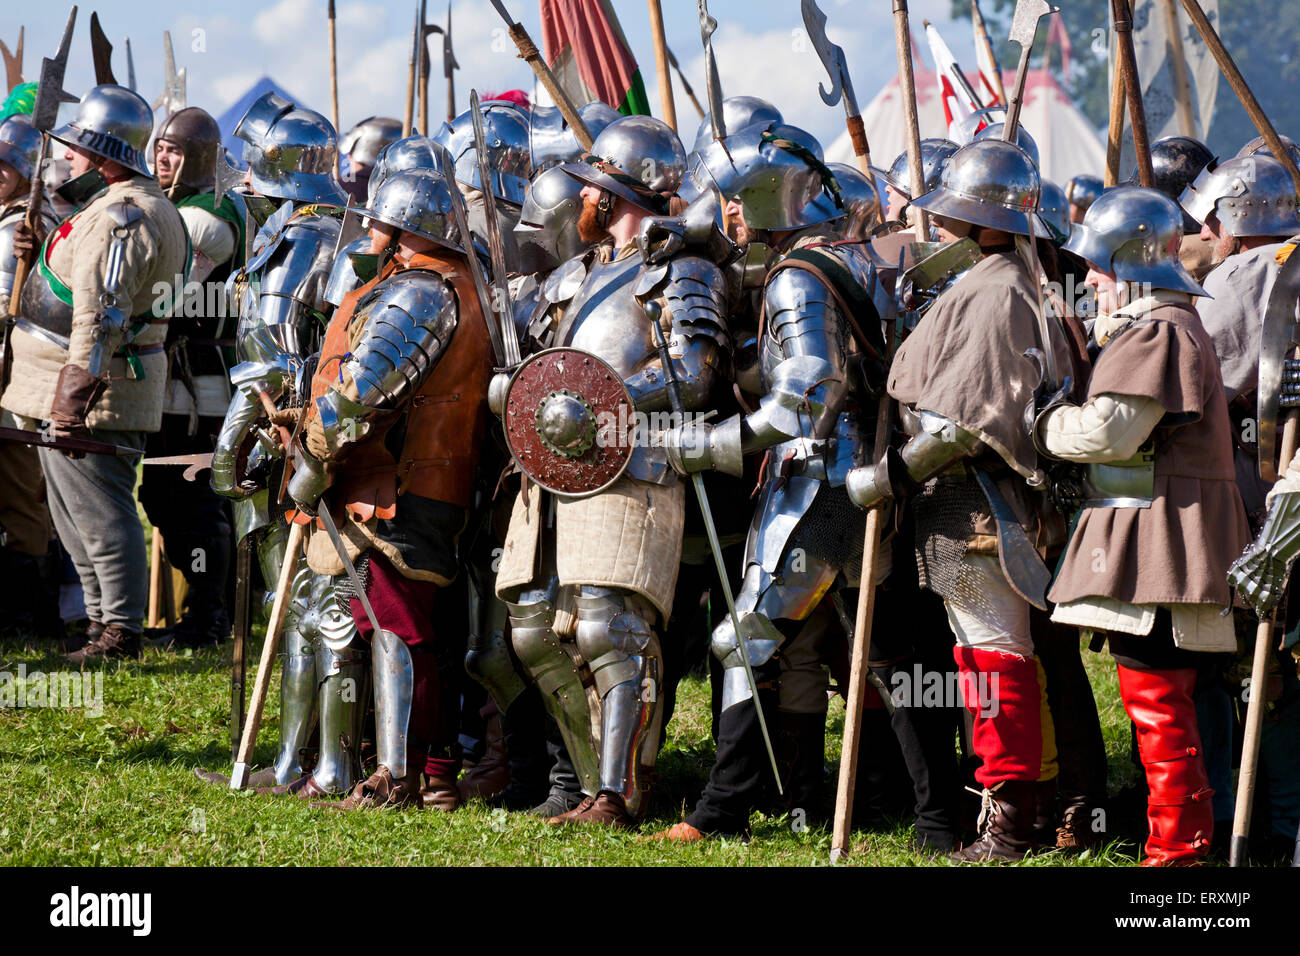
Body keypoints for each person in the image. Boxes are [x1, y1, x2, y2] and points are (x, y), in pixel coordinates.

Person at [492, 115, 729, 827]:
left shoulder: (680, 270)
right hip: (549, 470)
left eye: (591, 187)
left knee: (608, 629)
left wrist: (601, 401)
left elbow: (696, 374)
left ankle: (620, 792)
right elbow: (538, 368)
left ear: (612, 194)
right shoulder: (571, 276)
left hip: (634, 458)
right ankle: (590, 779)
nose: (579, 199)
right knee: (533, 629)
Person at [844, 139, 1073, 861]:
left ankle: (1010, 824)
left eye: (956, 215)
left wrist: (887, 478)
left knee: (995, 659)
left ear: (989, 224)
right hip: (971, 501)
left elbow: (959, 421)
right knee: (989, 658)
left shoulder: (1000, 287)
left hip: (977, 502)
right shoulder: (1004, 279)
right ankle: (1016, 812)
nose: (941, 227)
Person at [1037, 186, 1250, 866]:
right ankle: (1178, 851)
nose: (1091, 279)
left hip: (1169, 535)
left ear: (1130, 261)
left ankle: (1177, 862)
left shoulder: (1159, 328)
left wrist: (1044, 425)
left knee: (1159, 703)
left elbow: (1113, 434)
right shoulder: (1158, 322)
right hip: (1160, 528)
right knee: (1160, 700)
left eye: (1099, 266)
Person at [286, 164, 493, 810]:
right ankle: (422, 771)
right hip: (403, 481)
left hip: (405, 486)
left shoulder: (423, 292)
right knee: (388, 621)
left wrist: (315, 454)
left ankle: (401, 775)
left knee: (395, 627)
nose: (367, 232)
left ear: (402, 226)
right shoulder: (436, 282)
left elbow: (361, 394)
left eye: (378, 221)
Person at [200, 91, 358, 796]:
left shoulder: (302, 239)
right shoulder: (321, 229)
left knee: (316, 608)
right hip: (302, 437)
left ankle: (325, 766)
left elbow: (270, 357)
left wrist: (231, 444)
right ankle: (296, 762)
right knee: (296, 607)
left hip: (296, 440)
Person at [0, 85, 188, 662]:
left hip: (92, 390)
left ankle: (119, 631)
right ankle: (101, 625)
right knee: (75, 517)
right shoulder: (109, 208)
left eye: (79, 147)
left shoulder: (122, 215)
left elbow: (102, 316)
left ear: (105, 150)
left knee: (102, 518)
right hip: (73, 386)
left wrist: (72, 399)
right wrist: (42, 251)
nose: (69, 156)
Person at [139, 106, 244, 648]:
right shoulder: (187, 207)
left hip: (200, 387)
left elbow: (170, 303)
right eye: (160, 146)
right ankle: (207, 615)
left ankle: (209, 620)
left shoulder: (207, 217)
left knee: (190, 502)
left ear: (198, 158)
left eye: (174, 150)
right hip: (185, 382)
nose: (162, 156)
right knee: (172, 497)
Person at [0, 114, 60, 639]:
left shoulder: (40, 219)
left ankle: (31, 615)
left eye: (6, 164)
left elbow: (51, 296)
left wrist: (37, 252)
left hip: (14, 365)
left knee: (20, 488)